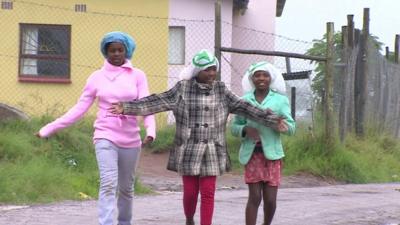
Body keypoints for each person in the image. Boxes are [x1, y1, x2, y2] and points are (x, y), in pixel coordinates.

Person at [108, 50, 286, 225]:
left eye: (213, 69)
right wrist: (127, 107)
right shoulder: (182, 89)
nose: (211, 74)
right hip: (188, 148)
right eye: (206, 69)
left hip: (212, 149)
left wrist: (271, 119)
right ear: (196, 71)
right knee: (191, 192)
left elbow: (244, 107)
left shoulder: (221, 90)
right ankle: (189, 219)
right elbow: (157, 101)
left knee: (208, 192)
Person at [35, 31, 156, 225]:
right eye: (111, 50)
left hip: (131, 139)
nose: (116, 54)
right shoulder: (96, 77)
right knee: (108, 183)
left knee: (126, 188)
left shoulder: (138, 75)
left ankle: (124, 222)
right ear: (105, 52)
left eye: (120, 50)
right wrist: (49, 128)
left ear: (127, 51)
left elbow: (146, 105)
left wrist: (151, 131)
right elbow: (79, 108)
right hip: (105, 135)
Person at [230, 61, 295, 225]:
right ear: (252, 78)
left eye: (265, 75)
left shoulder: (280, 100)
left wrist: (282, 127)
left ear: (270, 78)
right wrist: (245, 130)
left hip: (272, 156)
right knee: (255, 197)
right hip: (252, 155)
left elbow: (291, 127)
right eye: (257, 75)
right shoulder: (244, 100)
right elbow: (234, 127)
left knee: (270, 199)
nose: (261, 78)